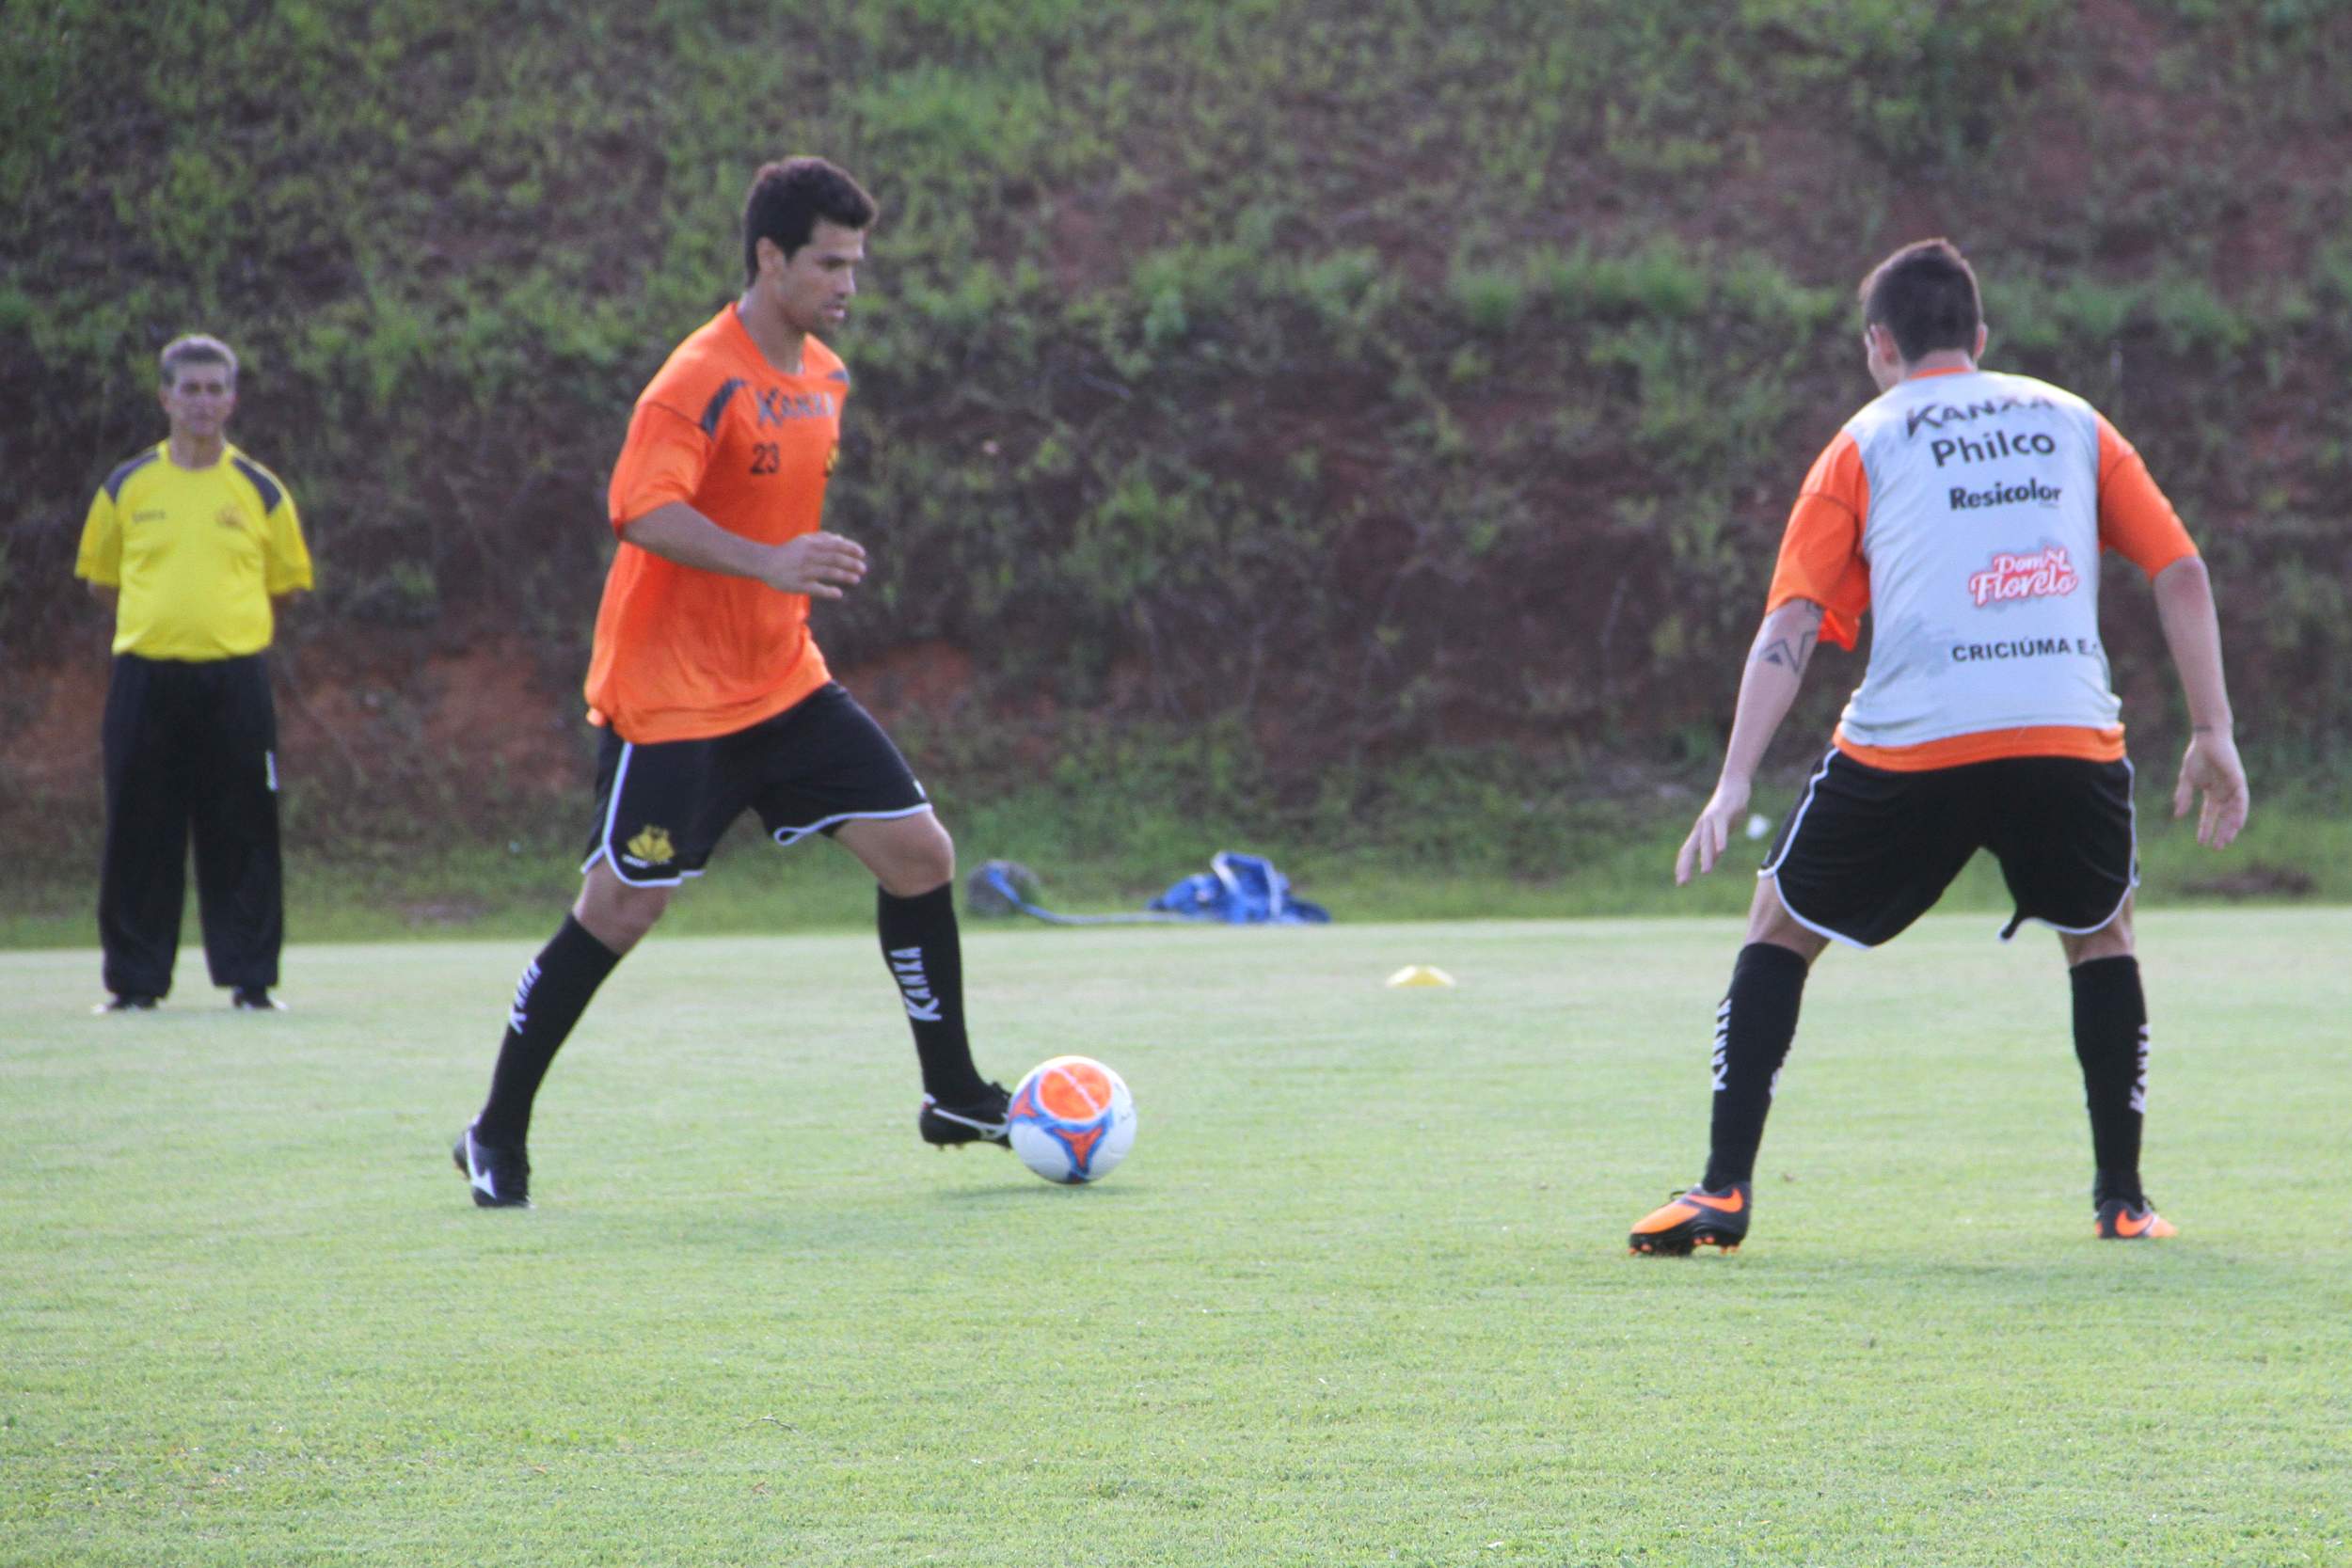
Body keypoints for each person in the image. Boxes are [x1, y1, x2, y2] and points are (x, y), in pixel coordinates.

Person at [1630, 238, 2249, 1256]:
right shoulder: (2072, 420)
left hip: (1913, 745)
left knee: (1778, 922)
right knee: (2101, 933)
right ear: (1981, 337)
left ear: (1879, 344)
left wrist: (1733, 775)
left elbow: (1790, 621)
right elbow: (2177, 567)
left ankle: (1724, 1188)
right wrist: (2212, 728)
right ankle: (2124, 1201)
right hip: (2064, 727)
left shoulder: (1862, 440)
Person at [453, 156, 1013, 1209]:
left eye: (857, 262)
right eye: (830, 262)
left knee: (919, 854)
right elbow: (636, 508)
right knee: (620, 909)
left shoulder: (825, 378)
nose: (849, 283)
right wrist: (770, 561)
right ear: (770, 256)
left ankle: (952, 1094)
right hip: (671, 699)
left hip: (784, 682)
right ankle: (494, 1130)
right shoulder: (695, 377)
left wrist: (782, 575)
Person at [73, 334, 314, 1014]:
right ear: (165, 397)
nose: (202, 402)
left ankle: (251, 980)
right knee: (139, 827)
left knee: (243, 826)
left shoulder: (261, 490)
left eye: (214, 389)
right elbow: (101, 581)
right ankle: (134, 982)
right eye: (189, 388)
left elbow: (286, 586)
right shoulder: (127, 486)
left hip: (234, 681)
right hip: (145, 680)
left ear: (232, 400)